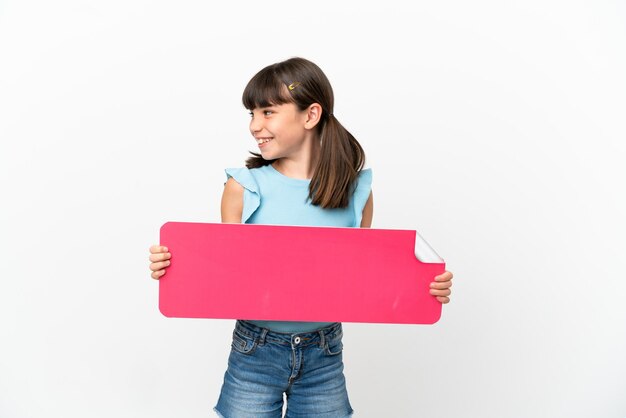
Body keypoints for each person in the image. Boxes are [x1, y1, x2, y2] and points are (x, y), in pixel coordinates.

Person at [148, 57, 453, 418]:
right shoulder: (244, 187)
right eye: (252, 114)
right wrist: (174, 266)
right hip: (254, 352)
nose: (255, 126)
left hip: (324, 355)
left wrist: (424, 287)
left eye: (268, 112)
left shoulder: (357, 192)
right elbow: (226, 275)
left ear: (310, 115)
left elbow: (360, 277)